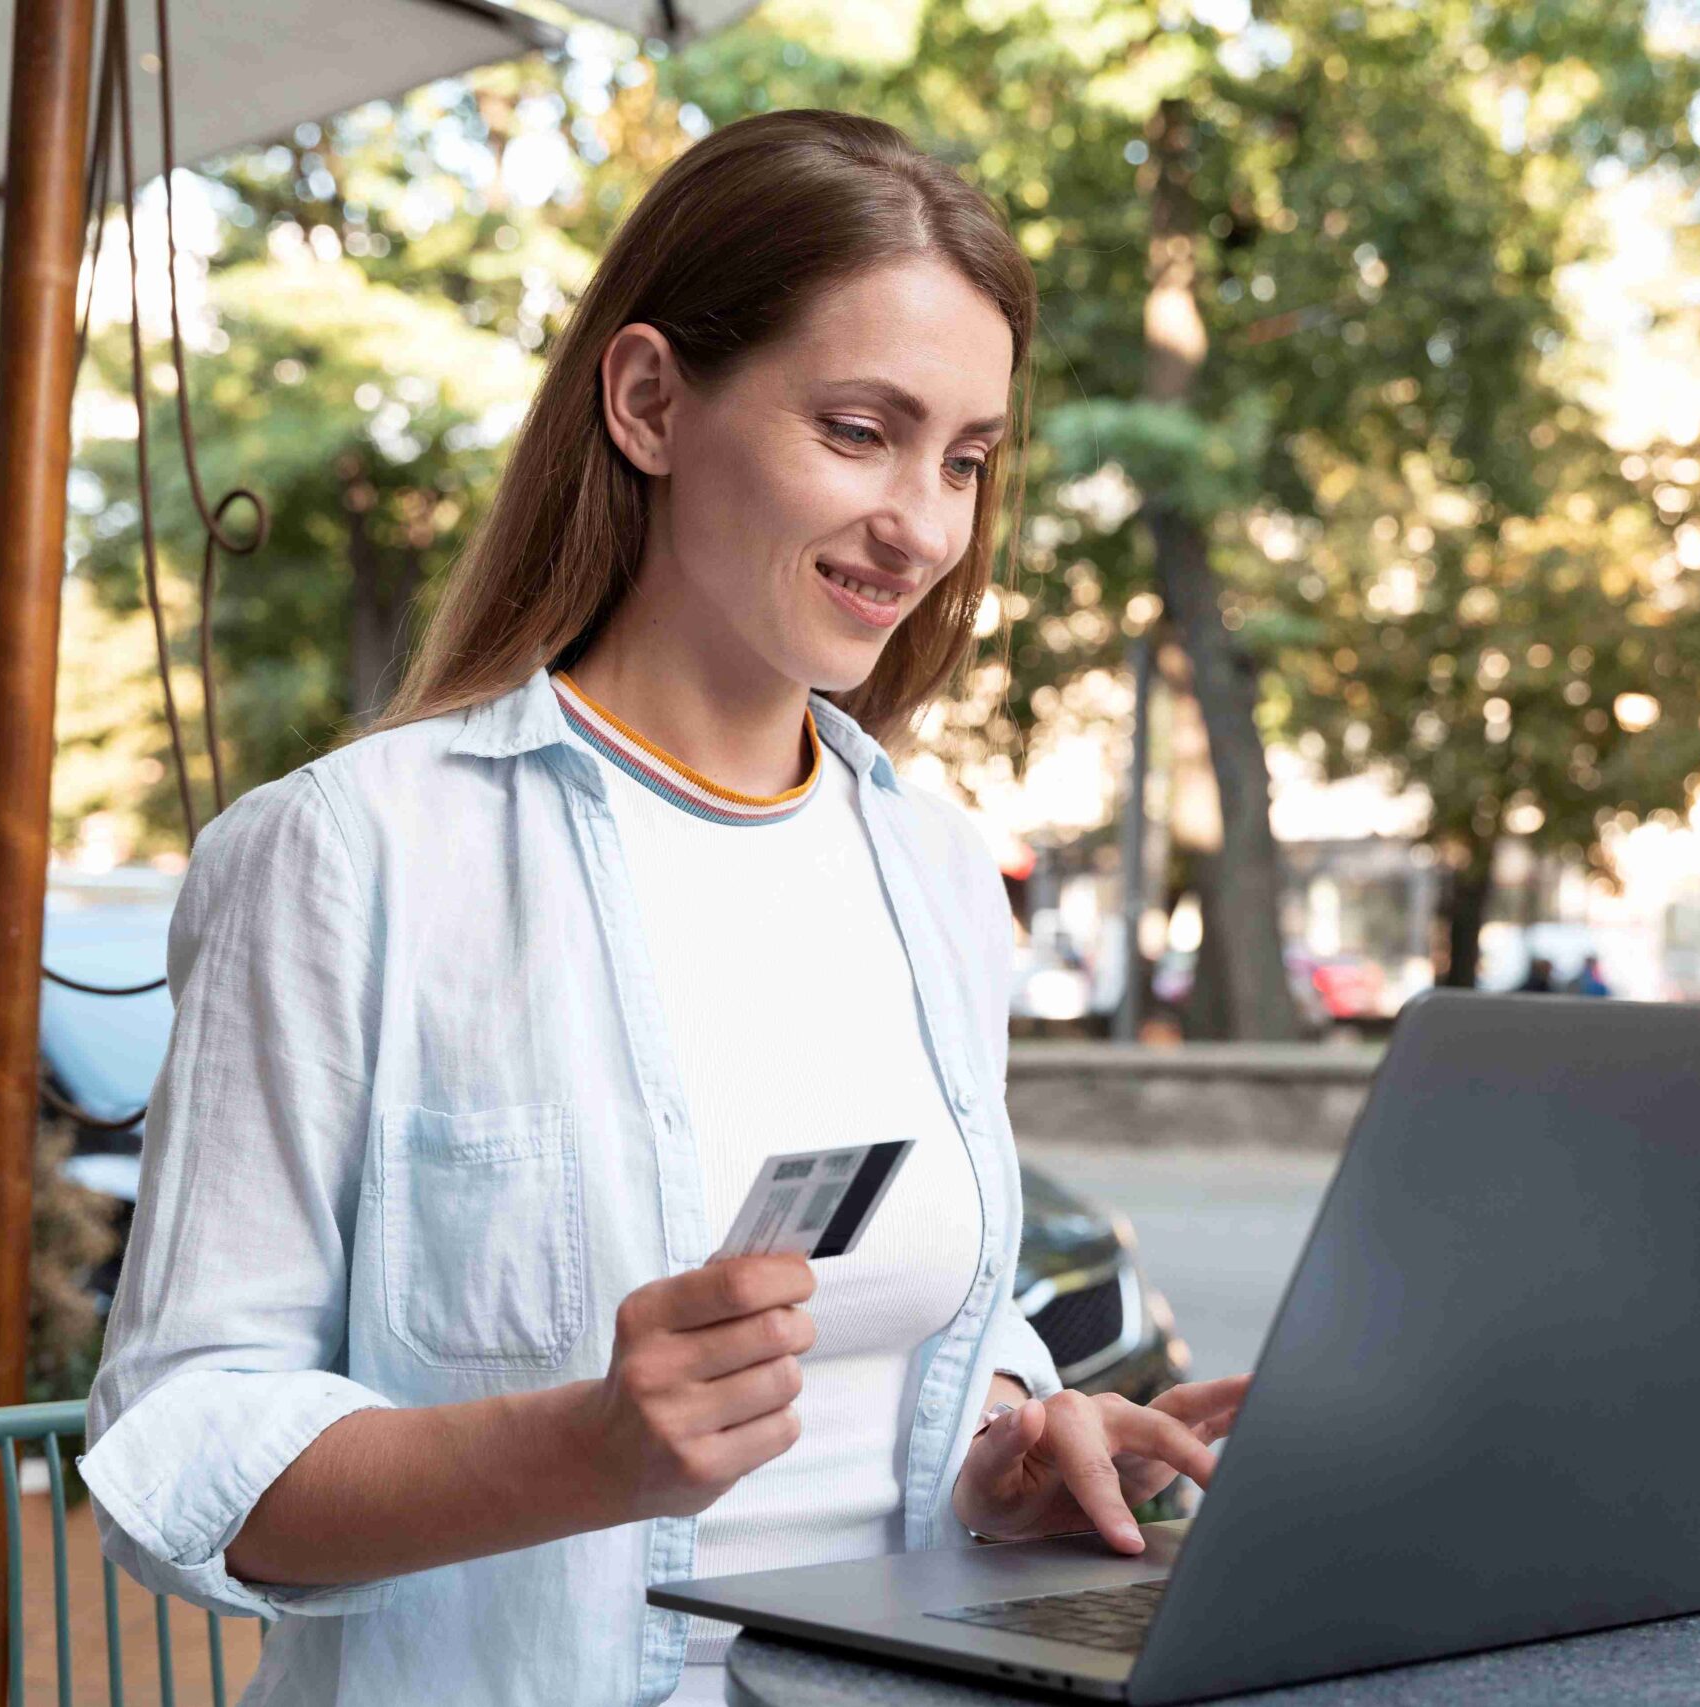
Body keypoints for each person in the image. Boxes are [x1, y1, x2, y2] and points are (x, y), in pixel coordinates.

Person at [81, 110, 1248, 1707]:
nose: (924, 524)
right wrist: (586, 1449)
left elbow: (906, 1361)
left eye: (964, 458)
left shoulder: (937, 872)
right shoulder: (352, 855)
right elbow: (179, 1449)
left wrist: (1006, 1453)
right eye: (859, 431)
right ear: (647, 402)